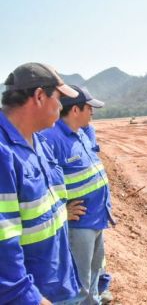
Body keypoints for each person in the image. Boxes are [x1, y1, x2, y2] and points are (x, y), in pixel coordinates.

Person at [0, 62, 82, 305]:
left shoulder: (40, 142)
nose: (60, 105)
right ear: (38, 96)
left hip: (59, 283)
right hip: (34, 296)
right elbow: (3, 243)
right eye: (58, 98)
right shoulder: (4, 154)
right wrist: (29, 298)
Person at [42, 86, 113, 305]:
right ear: (75, 110)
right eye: (89, 108)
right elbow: (40, 183)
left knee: (93, 273)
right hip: (78, 225)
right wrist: (61, 210)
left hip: (96, 218)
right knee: (78, 283)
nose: (92, 112)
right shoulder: (51, 138)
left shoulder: (82, 133)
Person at [81, 124, 113, 305]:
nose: (91, 112)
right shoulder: (55, 137)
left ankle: (100, 287)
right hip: (81, 218)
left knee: (96, 261)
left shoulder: (85, 131)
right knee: (83, 269)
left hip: (94, 213)